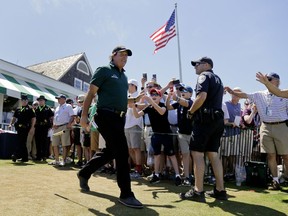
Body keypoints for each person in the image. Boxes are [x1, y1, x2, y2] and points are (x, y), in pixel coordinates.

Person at [77, 46, 143, 209]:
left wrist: (134, 100)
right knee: (121, 151)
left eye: (127, 55)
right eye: (122, 54)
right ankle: (126, 194)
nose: (125, 57)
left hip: (119, 118)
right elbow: (91, 94)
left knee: (112, 151)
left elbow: (121, 101)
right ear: (113, 55)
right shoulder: (104, 70)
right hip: (105, 115)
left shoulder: (123, 77)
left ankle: (84, 173)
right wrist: (84, 116)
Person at [226, 72, 288, 189]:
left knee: (285, 156)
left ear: (277, 81)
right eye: (266, 79)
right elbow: (245, 95)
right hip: (265, 127)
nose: (266, 80)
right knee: (270, 155)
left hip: (281, 126)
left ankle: (286, 177)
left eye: (269, 79)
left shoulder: (284, 95)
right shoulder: (259, 94)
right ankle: (275, 181)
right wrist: (233, 92)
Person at [180, 57, 227, 202]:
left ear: (206, 65)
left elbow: (201, 96)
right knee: (213, 154)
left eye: (197, 64)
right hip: (217, 119)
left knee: (197, 154)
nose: (195, 66)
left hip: (205, 119)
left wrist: (191, 112)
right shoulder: (218, 78)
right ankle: (220, 190)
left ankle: (198, 191)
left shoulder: (204, 76)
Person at [132, 88, 182, 186]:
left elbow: (161, 112)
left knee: (171, 155)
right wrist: (133, 106)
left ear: (160, 97)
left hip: (166, 134)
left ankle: (177, 175)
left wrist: (150, 101)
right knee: (157, 155)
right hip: (156, 135)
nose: (153, 96)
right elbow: (137, 115)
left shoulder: (163, 106)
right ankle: (156, 174)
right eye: (152, 95)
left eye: (156, 95)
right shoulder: (149, 107)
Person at [166, 84, 194, 186]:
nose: (183, 92)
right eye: (182, 91)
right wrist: (168, 98)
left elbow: (186, 104)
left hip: (192, 134)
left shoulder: (191, 101)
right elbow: (168, 107)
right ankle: (187, 177)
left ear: (190, 93)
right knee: (185, 155)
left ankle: (194, 175)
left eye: (185, 91)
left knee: (195, 156)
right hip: (181, 134)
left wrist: (176, 97)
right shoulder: (178, 103)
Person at [125, 79, 143, 178]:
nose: (127, 86)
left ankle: (139, 169)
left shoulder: (138, 96)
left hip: (135, 124)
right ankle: (136, 167)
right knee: (130, 149)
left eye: (129, 84)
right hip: (126, 125)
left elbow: (140, 108)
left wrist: (134, 105)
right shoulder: (127, 96)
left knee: (136, 148)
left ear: (134, 85)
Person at [49, 94, 74, 166]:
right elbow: (54, 117)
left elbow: (72, 116)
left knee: (64, 144)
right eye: (58, 99)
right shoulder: (57, 107)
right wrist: (54, 124)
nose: (58, 100)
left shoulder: (68, 106)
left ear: (64, 99)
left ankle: (63, 160)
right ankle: (57, 160)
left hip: (64, 127)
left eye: (59, 99)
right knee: (55, 144)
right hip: (56, 127)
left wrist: (69, 124)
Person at [9, 94, 36, 162]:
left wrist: (32, 127)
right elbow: (14, 117)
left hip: (25, 127)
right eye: (23, 100)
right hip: (18, 127)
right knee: (22, 142)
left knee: (21, 141)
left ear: (27, 101)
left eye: (26, 100)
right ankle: (25, 158)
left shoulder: (30, 109)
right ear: (21, 101)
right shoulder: (18, 109)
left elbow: (34, 118)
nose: (24, 101)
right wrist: (10, 124)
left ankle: (16, 154)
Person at [34, 95, 54, 161]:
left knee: (44, 142)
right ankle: (38, 156)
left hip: (45, 127)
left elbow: (52, 117)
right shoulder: (36, 109)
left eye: (42, 100)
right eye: (39, 100)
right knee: (37, 141)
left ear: (44, 101)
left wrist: (51, 125)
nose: (40, 101)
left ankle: (44, 156)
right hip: (37, 127)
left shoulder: (47, 108)